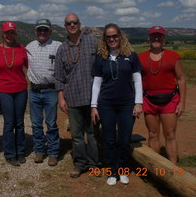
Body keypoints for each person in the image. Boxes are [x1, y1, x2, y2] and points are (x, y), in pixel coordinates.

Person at [91, 23, 143, 186]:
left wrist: (138, 102)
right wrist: (94, 105)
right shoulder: (101, 57)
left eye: (115, 36)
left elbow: (138, 80)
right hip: (106, 104)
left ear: (120, 36)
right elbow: (96, 84)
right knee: (109, 139)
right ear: (104, 39)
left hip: (127, 104)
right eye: (108, 37)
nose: (112, 39)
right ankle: (112, 171)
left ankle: (123, 170)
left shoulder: (131, 55)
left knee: (125, 139)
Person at [55, 13, 100, 178]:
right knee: (77, 136)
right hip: (72, 98)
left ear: (79, 24)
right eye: (68, 23)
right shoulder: (62, 48)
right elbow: (59, 77)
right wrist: (61, 97)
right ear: (65, 26)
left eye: (74, 22)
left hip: (92, 98)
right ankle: (80, 164)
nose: (72, 25)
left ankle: (95, 163)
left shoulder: (92, 42)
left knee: (93, 134)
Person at [138, 26, 186, 165]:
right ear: (149, 38)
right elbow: (137, 81)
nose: (156, 38)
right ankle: (156, 166)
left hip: (170, 101)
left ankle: (173, 167)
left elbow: (181, 78)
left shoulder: (174, 57)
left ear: (164, 38)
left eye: (159, 36)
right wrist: (138, 102)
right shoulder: (141, 58)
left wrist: (181, 102)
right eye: (154, 36)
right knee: (153, 135)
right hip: (149, 100)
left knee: (170, 135)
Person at [0, 22, 28, 166]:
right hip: (4, 90)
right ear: (3, 34)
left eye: (12, 33)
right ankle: (10, 153)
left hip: (20, 90)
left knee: (19, 123)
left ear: (15, 34)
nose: (9, 36)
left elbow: (29, 66)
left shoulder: (21, 48)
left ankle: (21, 151)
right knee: (9, 123)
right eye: (7, 33)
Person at [26, 19, 61, 166]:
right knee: (35, 123)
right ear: (35, 31)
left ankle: (53, 152)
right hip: (34, 90)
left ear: (50, 31)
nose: (42, 32)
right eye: (40, 30)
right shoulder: (29, 47)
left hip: (51, 90)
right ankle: (39, 150)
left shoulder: (58, 46)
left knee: (51, 123)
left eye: (45, 30)